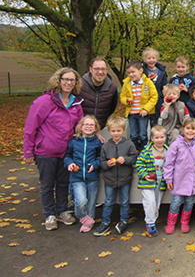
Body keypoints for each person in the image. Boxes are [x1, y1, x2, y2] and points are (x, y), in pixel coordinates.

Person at [23, 67, 83, 231]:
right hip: (45, 151)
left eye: (72, 80)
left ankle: (62, 211)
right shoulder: (44, 101)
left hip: (65, 152)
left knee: (63, 183)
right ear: (58, 80)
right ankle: (49, 214)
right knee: (47, 184)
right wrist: (28, 150)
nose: (68, 83)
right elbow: (30, 127)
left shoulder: (76, 103)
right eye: (66, 79)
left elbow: (80, 127)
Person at [94, 117, 137, 236]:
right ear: (109, 131)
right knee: (108, 201)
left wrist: (126, 160)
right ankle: (105, 222)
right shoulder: (106, 146)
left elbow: (134, 158)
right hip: (110, 179)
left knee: (124, 201)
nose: (116, 133)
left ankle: (124, 220)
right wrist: (107, 164)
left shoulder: (129, 144)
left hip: (125, 179)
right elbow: (101, 162)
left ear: (124, 130)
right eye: (113, 131)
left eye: (118, 131)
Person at [64, 115, 102, 233]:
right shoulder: (74, 142)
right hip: (77, 177)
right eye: (86, 124)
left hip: (92, 177)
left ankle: (89, 222)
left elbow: (101, 157)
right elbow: (67, 156)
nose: (89, 127)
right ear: (81, 127)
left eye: (92, 125)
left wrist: (95, 165)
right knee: (81, 202)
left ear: (95, 128)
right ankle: (83, 217)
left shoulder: (97, 143)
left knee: (91, 202)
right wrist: (69, 164)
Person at [136, 125, 169, 237]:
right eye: (157, 138)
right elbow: (139, 164)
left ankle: (152, 219)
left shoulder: (167, 151)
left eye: (162, 137)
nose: (160, 140)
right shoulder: (147, 151)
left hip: (161, 180)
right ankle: (150, 223)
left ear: (165, 137)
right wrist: (144, 175)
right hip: (148, 181)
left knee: (156, 203)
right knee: (149, 201)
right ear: (152, 138)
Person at [120, 60, 158, 151]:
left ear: (140, 71)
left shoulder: (148, 82)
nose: (131, 75)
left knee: (142, 135)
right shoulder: (127, 83)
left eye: (133, 72)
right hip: (132, 113)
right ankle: (134, 152)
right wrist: (126, 100)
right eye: (129, 73)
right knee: (133, 135)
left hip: (143, 113)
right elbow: (122, 96)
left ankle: (144, 152)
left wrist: (146, 109)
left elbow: (154, 97)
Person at [80, 57, 118, 130]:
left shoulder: (112, 88)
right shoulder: (80, 85)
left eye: (103, 69)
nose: (100, 72)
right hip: (80, 129)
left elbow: (111, 108)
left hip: (99, 129)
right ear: (90, 69)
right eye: (97, 69)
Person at [142, 48, 169, 128]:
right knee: (143, 124)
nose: (151, 60)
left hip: (157, 101)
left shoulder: (161, 72)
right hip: (144, 100)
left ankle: (154, 139)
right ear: (144, 59)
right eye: (149, 58)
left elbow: (164, 86)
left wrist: (164, 97)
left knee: (154, 123)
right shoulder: (142, 71)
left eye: (153, 58)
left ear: (156, 59)